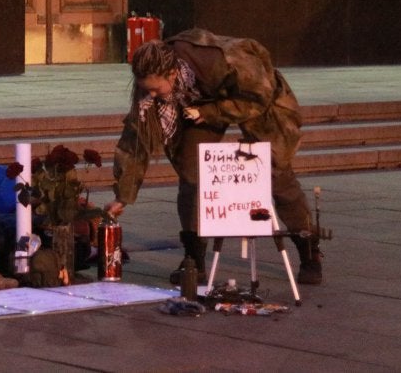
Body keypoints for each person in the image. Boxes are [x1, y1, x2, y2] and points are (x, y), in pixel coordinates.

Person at [103, 28, 323, 286]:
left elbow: (258, 96)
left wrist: (210, 111)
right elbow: (134, 144)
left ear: (172, 73)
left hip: (253, 98)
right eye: (146, 90)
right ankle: (193, 259)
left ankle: (309, 252)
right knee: (191, 174)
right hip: (196, 104)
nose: (151, 96)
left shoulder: (223, 61)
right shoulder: (151, 91)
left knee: (277, 173)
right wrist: (123, 195)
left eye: (155, 89)